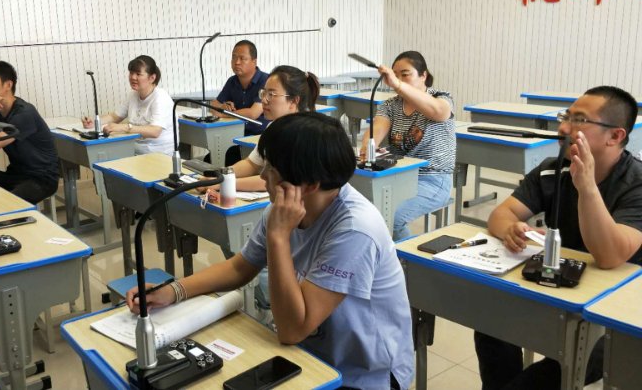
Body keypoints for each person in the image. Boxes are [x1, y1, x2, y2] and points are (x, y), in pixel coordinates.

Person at [128, 112, 415, 389]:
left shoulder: (355, 230)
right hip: (310, 355)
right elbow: (240, 267)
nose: (263, 175)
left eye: (272, 170)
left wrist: (278, 237)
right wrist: (173, 291)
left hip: (363, 377)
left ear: (309, 185)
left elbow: (292, 330)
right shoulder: (282, 208)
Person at [475, 86, 642, 390]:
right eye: (565, 117)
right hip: (560, 292)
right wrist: (511, 228)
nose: (564, 128)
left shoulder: (636, 184)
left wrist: (587, 187)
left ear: (615, 136)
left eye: (579, 120)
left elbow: (609, 257)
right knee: (490, 323)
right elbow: (501, 214)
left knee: (551, 373)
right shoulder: (552, 171)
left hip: (614, 319)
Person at [359, 51, 455, 240]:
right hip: (398, 175)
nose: (398, 79)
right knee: (361, 209)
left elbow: (439, 112)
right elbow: (376, 129)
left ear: (423, 75)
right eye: (395, 75)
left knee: (391, 217)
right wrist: (368, 147)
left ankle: (403, 256)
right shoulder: (391, 105)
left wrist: (397, 84)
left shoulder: (441, 98)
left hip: (433, 179)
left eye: (405, 74)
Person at [203, 65, 319, 192]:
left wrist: (224, 183)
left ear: (294, 101)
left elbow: (276, 180)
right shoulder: (273, 126)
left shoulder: (303, 134)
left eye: (271, 94)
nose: (263, 100)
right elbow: (252, 164)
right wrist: (220, 174)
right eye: (263, 93)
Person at [0, 61, 59, 205]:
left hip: (41, 178)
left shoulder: (24, 114)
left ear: (8, 85)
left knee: (7, 204)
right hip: (15, 174)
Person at [82, 55, 175, 155]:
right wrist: (95, 123)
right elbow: (115, 117)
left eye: (138, 74)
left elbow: (155, 131)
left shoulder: (161, 98)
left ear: (152, 78)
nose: (133, 77)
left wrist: (124, 127)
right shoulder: (133, 95)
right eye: (131, 73)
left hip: (158, 154)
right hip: (135, 149)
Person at [210, 40, 269, 164]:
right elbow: (213, 104)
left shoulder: (266, 81)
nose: (236, 62)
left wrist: (223, 113)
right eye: (234, 57)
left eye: (242, 58)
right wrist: (222, 106)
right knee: (209, 158)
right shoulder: (232, 81)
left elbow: (253, 113)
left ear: (254, 61)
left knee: (228, 157)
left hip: (259, 138)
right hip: (236, 136)